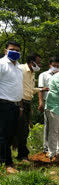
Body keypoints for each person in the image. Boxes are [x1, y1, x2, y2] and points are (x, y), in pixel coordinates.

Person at [14, 52, 45, 163]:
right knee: (21, 130)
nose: (40, 64)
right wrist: (21, 103)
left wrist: (41, 89)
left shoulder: (32, 73)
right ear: (32, 62)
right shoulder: (20, 69)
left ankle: (21, 155)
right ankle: (22, 156)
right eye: (38, 62)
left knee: (24, 130)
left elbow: (30, 90)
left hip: (27, 103)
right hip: (19, 102)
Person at [0, 41, 23, 173]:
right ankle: (7, 163)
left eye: (17, 50)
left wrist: (20, 107)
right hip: (3, 104)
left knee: (10, 135)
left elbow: (17, 88)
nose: (15, 52)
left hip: (15, 105)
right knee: (4, 135)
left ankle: (4, 159)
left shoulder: (18, 67)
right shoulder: (2, 65)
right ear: (5, 51)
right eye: (12, 49)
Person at [38, 56, 59, 153]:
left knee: (57, 125)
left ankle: (56, 146)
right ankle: (46, 146)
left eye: (58, 66)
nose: (56, 67)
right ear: (50, 65)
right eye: (54, 65)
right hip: (48, 102)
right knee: (48, 125)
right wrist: (41, 102)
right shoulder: (43, 75)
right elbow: (40, 89)